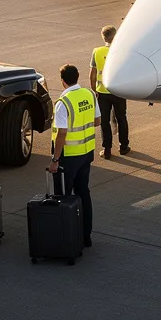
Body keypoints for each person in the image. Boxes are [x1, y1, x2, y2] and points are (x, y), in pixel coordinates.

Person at [48, 64, 99, 248]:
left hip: (68, 158)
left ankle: (66, 237)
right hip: (86, 154)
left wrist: (55, 160)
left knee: (63, 197)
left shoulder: (63, 103)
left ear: (62, 81)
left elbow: (61, 134)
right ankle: (85, 236)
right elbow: (98, 121)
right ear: (78, 77)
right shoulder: (89, 94)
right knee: (83, 193)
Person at [89, 26, 129, 158]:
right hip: (118, 91)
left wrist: (94, 90)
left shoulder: (97, 52)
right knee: (121, 118)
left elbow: (92, 74)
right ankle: (124, 147)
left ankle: (107, 150)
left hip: (102, 92)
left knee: (104, 121)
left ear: (103, 37)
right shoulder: (122, 51)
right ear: (115, 36)